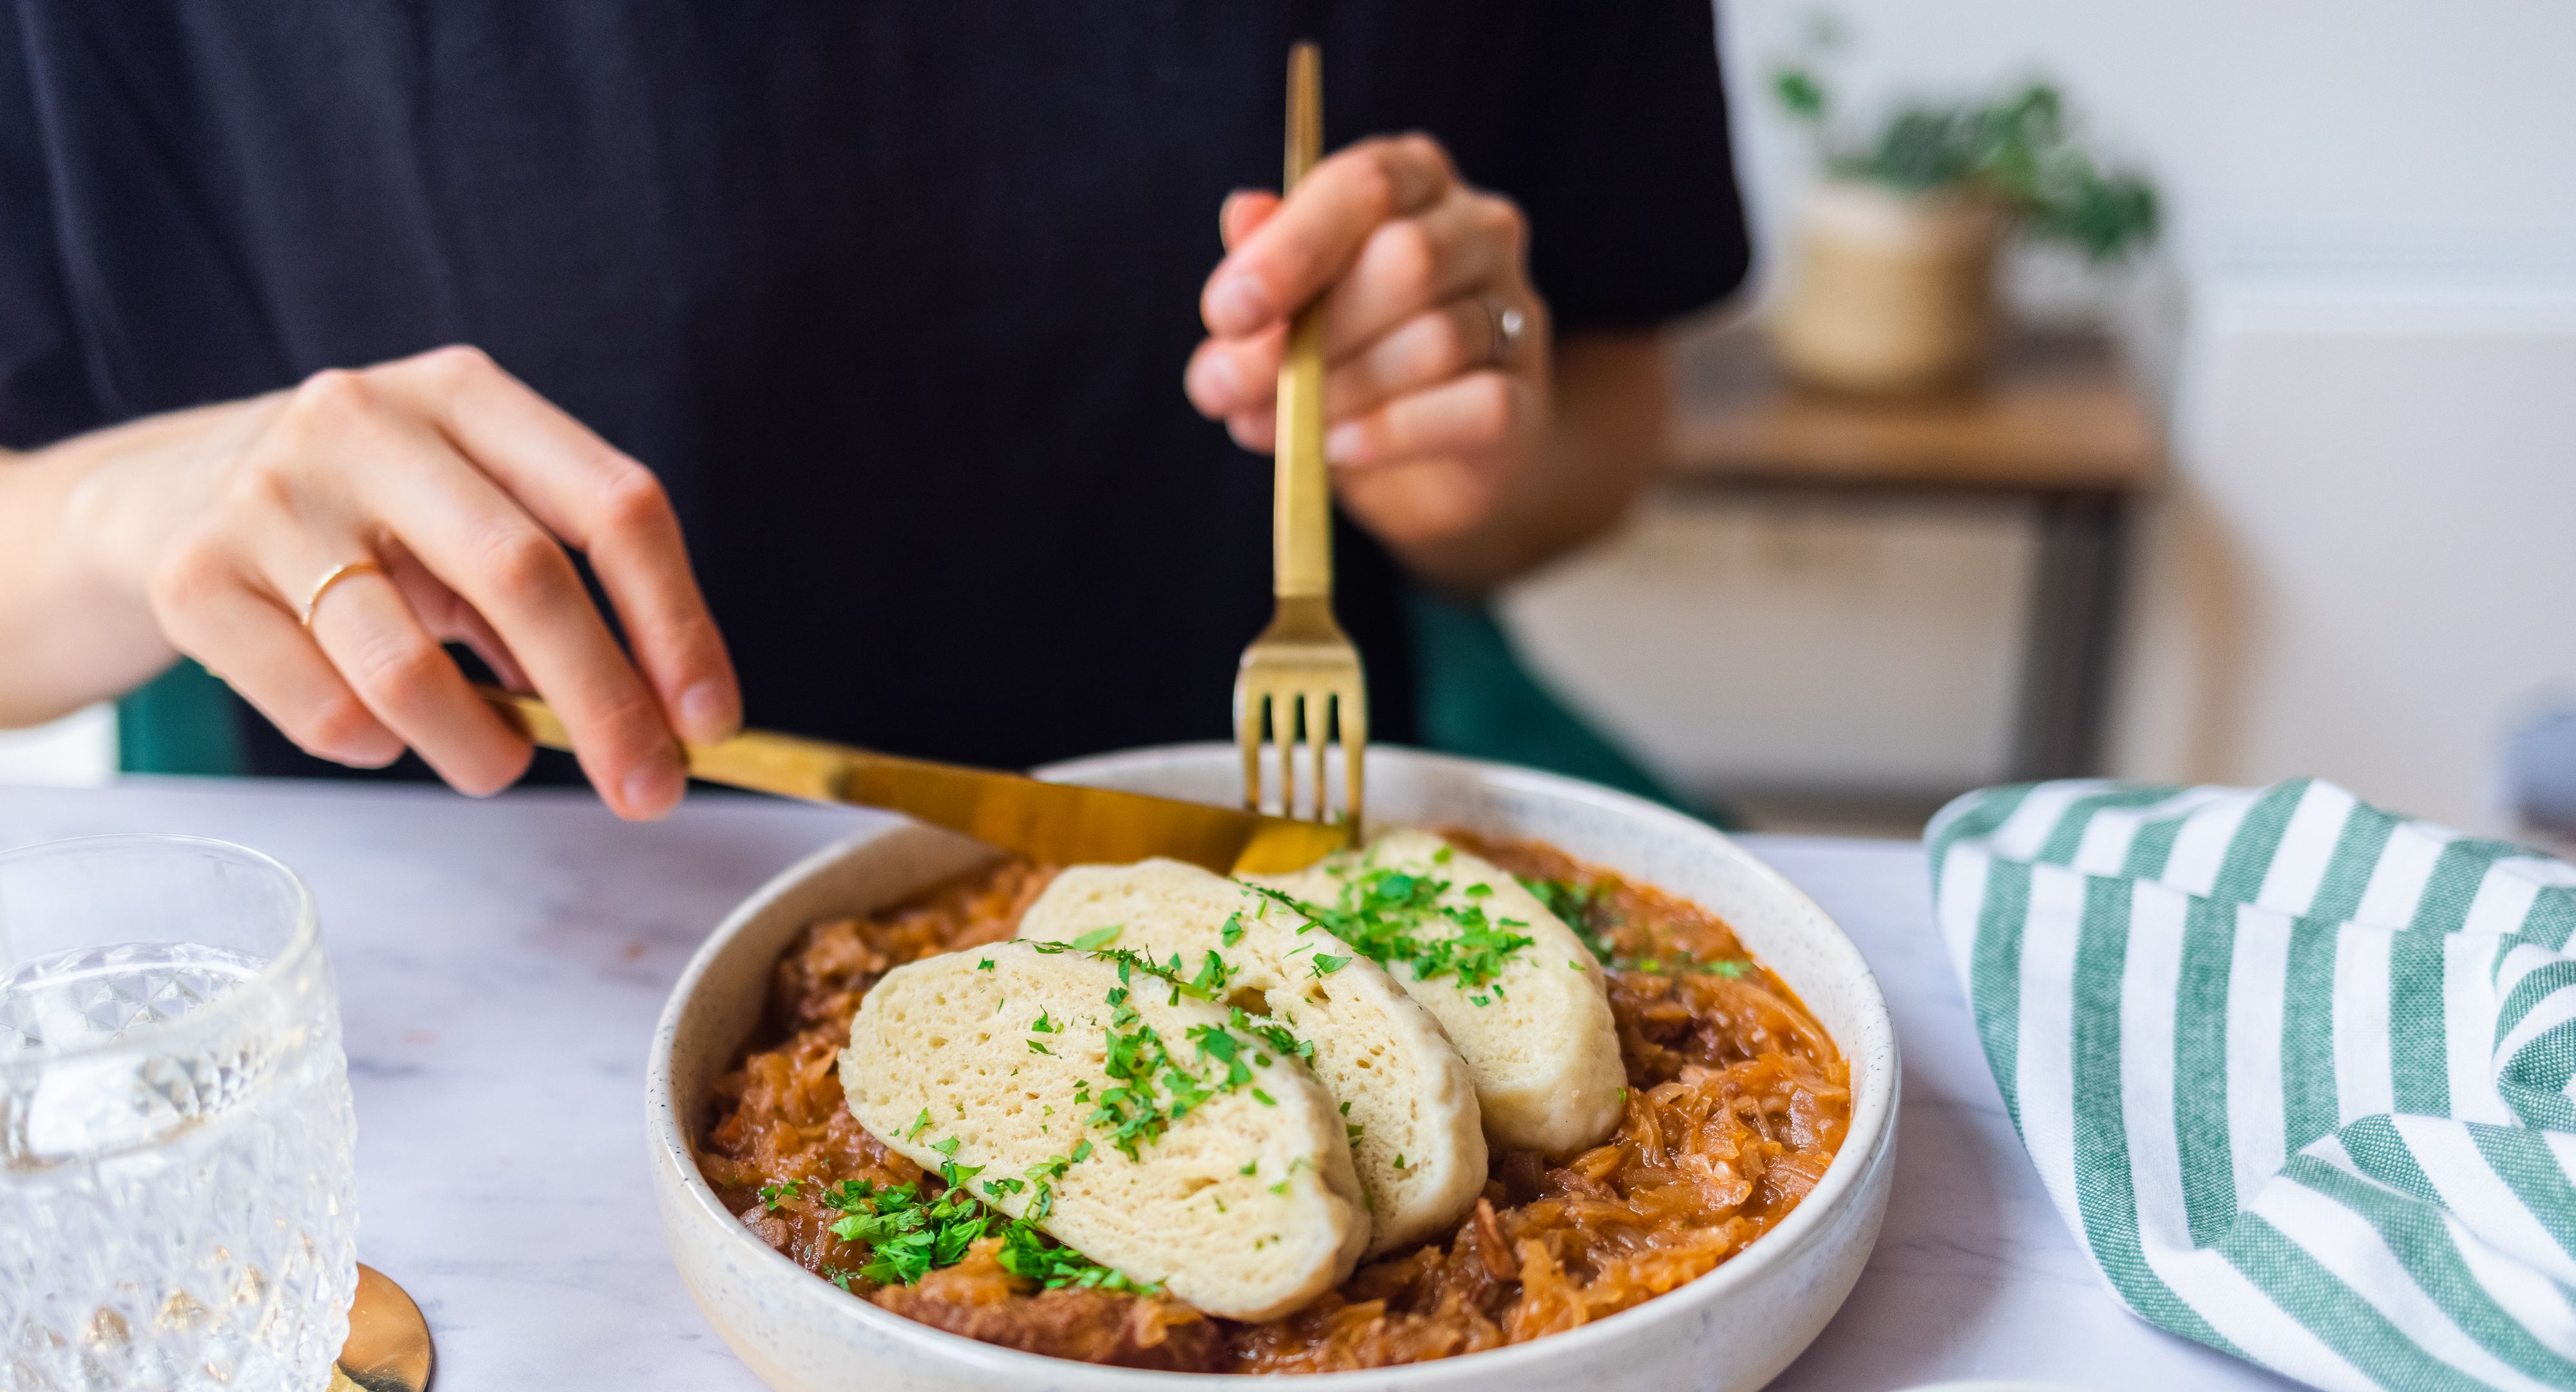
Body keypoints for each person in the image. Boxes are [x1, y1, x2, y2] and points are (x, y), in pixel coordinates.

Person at [0, 5, 1748, 819]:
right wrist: (128, 507)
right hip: (454, 994)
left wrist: (1461, 445)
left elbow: (1608, 403)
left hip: (1251, 872)